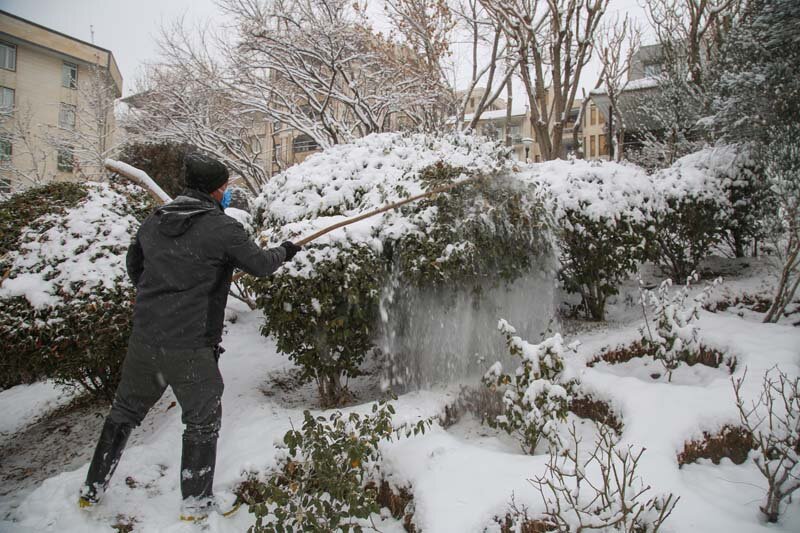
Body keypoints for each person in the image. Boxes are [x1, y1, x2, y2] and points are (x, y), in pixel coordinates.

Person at [78, 153, 301, 520]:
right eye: (225, 188)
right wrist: (287, 250)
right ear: (214, 190)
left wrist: (170, 291)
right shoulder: (222, 228)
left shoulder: (154, 221)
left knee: (124, 413)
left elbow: (136, 267)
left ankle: (92, 489)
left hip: (146, 340)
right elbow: (260, 265)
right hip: (191, 344)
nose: (227, 194)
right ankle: (195, 504)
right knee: (202, 418)